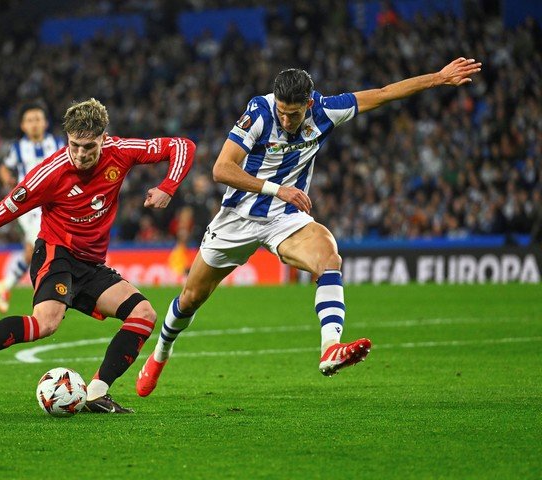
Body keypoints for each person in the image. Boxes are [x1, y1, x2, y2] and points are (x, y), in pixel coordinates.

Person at [136, 57, 482, 397]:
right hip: (237, 219)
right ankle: (160, 354)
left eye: (295, 113)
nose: (286, 119)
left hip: (285, 218)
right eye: (283, 112)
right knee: (192, 297)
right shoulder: (258, 111)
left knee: (329, 257)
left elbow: (384, 92)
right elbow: (221, 169)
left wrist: (438, 77)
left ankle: (330, 347)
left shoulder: (326, 111)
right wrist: (277, 188)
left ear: (309, 103)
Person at [0, 98, 195, 413]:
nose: (81, 154)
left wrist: (169, 186)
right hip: (55, 253)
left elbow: (182, 146)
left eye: (89, 146)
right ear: (67, 139)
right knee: (45, 323)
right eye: (74, 145)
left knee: (144, 315)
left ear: (103, 137)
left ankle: (96, 393)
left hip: (90, 264)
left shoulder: (121, 150)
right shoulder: (49, 173)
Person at [0, 103, 64, 313]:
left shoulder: (58, 142)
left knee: (31, 251)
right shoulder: (17, 148)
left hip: (53, 203)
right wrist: (8, 181)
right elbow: (4, 167)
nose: (34, 124)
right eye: (30, 120)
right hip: (28, 205)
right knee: (41, 242)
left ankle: (6, 284)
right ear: (23, 125)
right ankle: (46, 294)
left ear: (46, 122)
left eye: (38, 119)